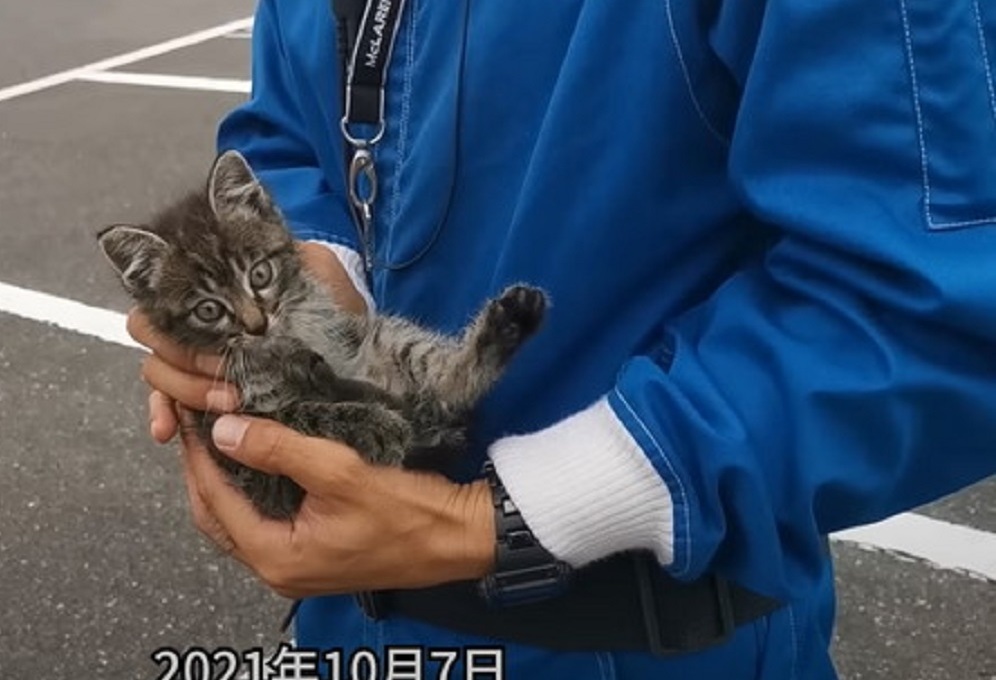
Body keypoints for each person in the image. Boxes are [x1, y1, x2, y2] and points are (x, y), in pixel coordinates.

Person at [127, 1, 996, 677]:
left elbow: (928, 297)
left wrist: (498, 519)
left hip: (637, 633)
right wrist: (316, 266)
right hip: (343, 618)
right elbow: (284, 134)